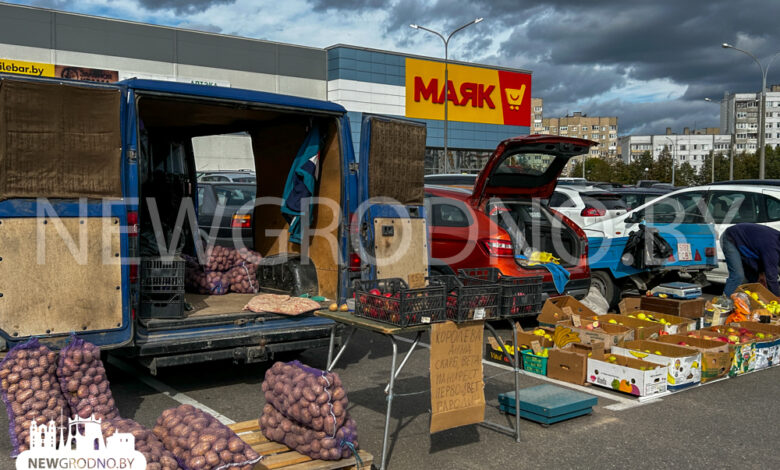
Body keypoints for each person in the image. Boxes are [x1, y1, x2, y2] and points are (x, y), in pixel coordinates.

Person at [721, 223, 780, 296]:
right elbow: (771, 276)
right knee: (738, 276)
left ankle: (749, 300)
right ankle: (725, 300)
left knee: (754, 278)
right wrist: (777, 297)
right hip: (731, 237)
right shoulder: (771, 247)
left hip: (748, 243)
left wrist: (761, 273)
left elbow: (763, 257)